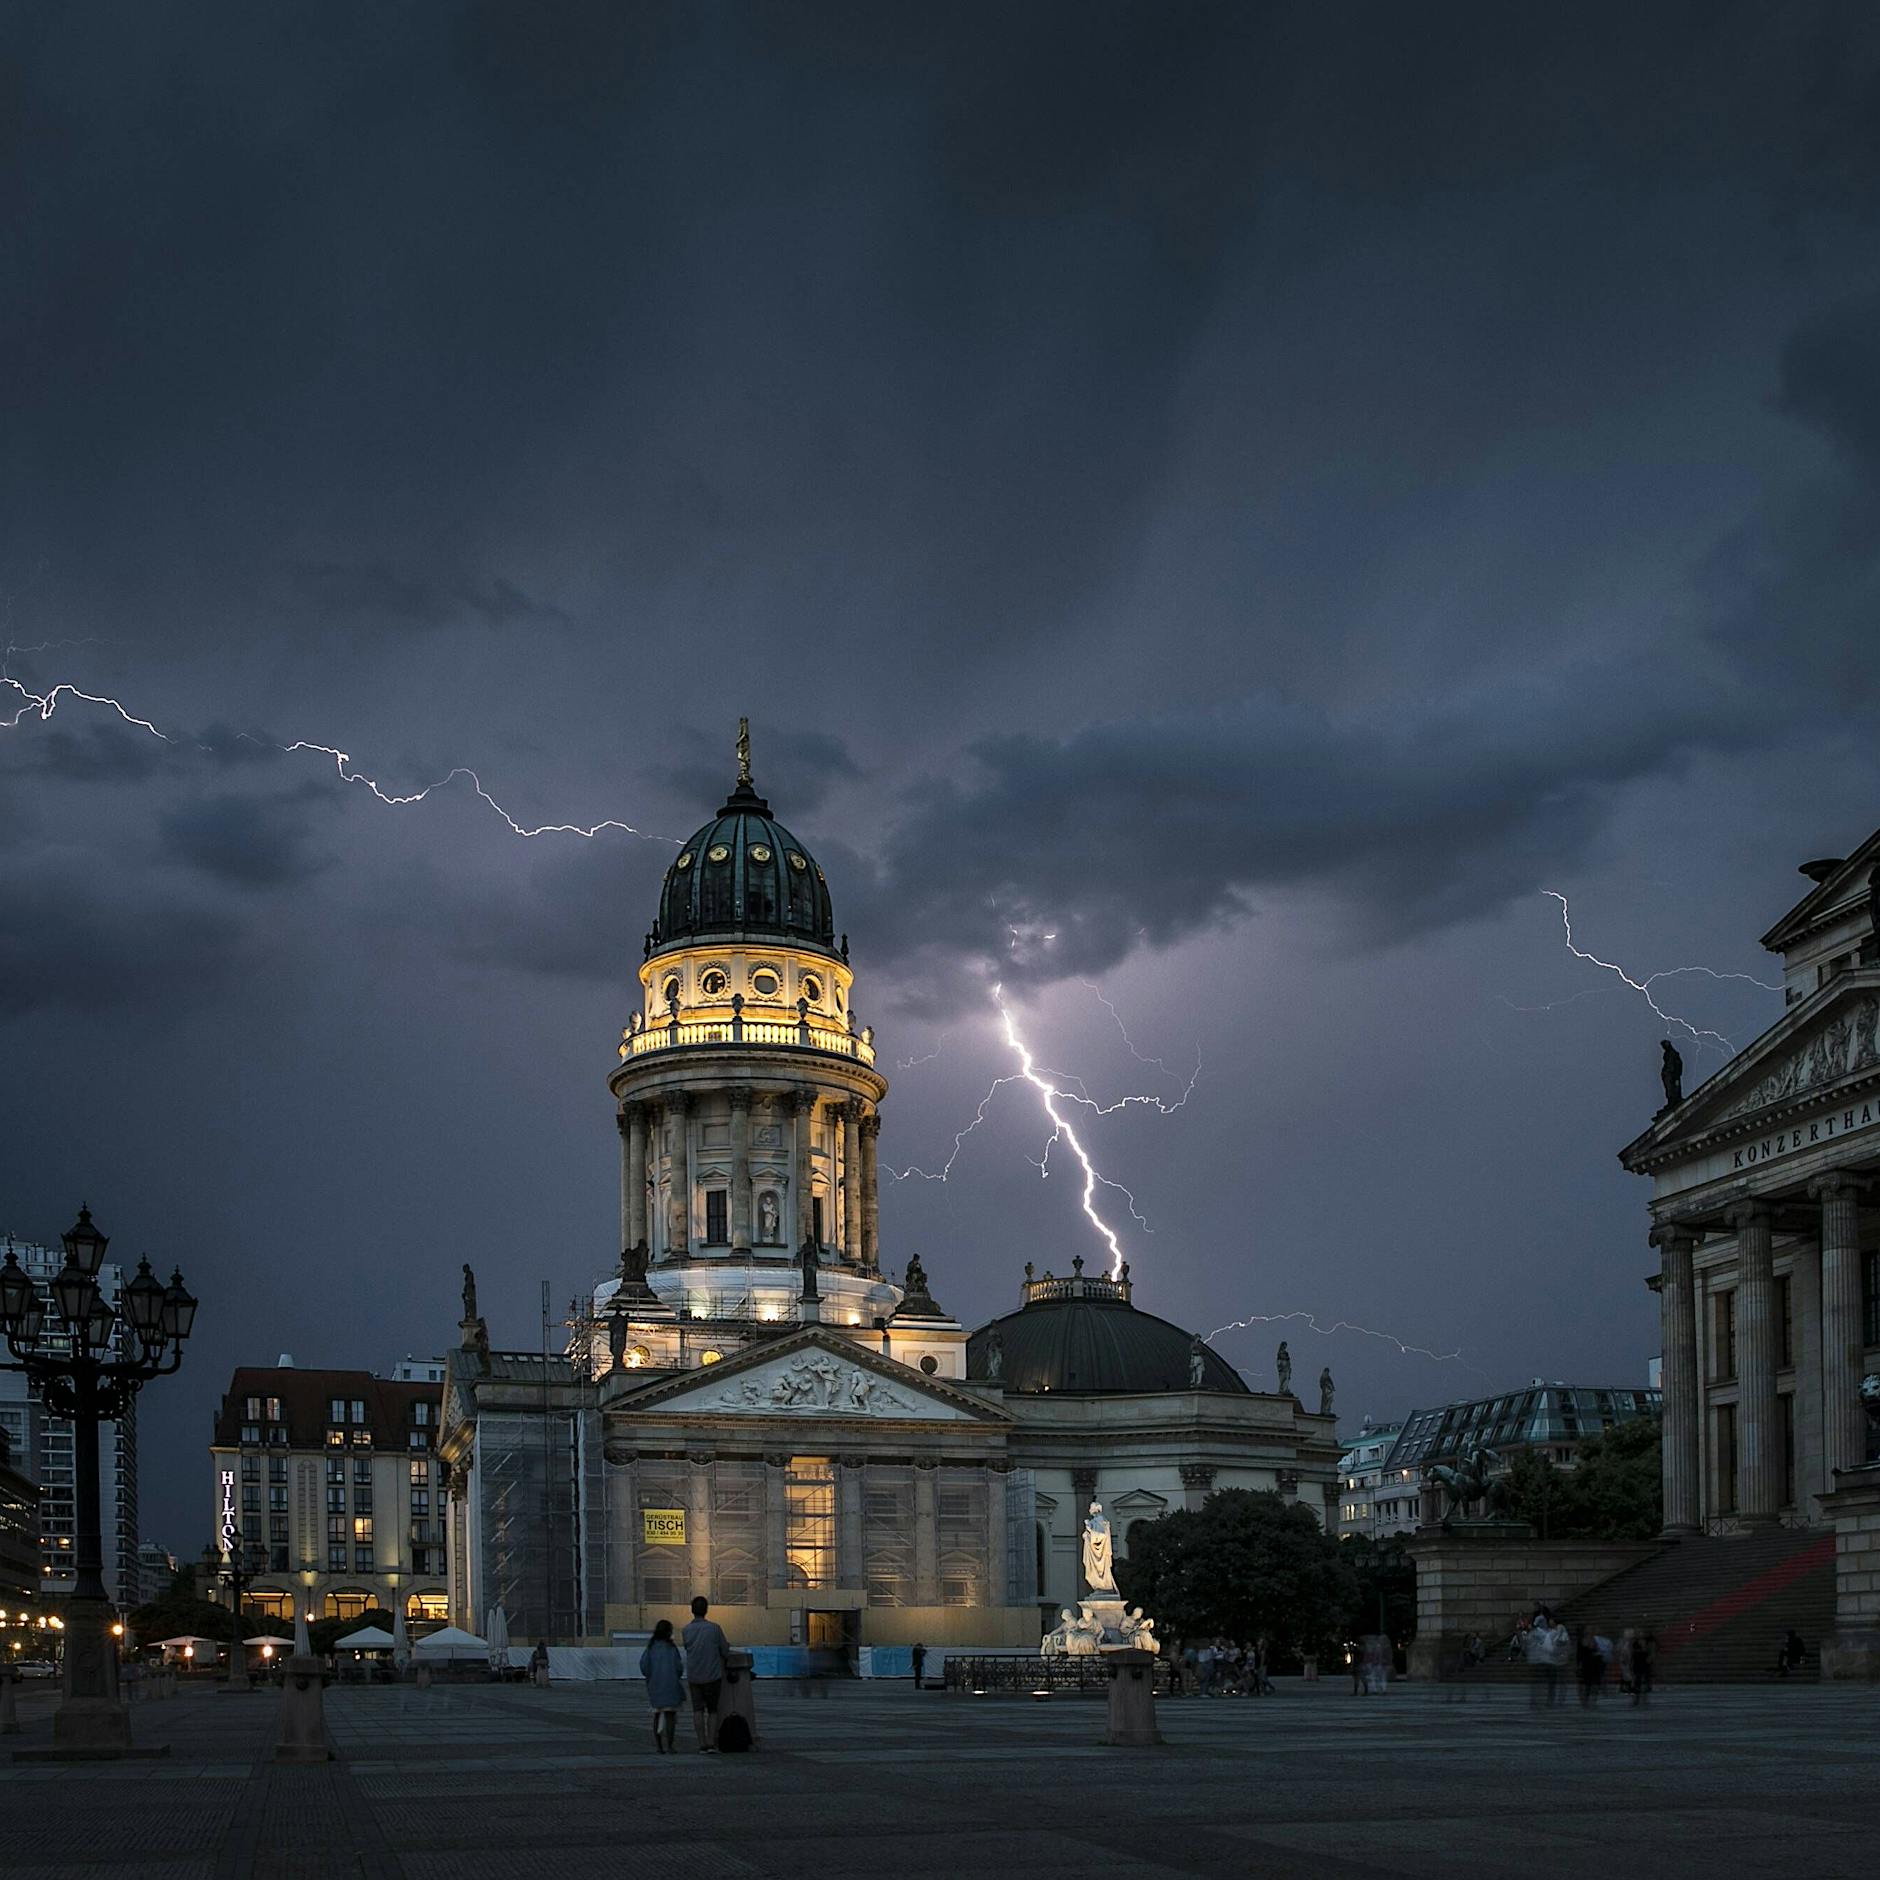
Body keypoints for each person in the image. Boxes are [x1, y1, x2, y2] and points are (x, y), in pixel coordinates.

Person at [682, 1595, 731, 1752]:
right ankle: (711, 1742)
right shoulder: (715, 1628)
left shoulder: (686, 1630)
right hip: (712, 1675)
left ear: (692, 1610)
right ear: (706, 1610)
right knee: (712, 1710)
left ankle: (701, 1743)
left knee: (697, 1710)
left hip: (694, 1675)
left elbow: (688, 1648)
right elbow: (725, 1650)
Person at [639, 1619, 686, 1754]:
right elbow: (679, 1668)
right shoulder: (672, 1648)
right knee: (670, 1716)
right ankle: (670, 1745)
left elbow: (644, 1666)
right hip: (671, 1686)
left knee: (657, 1714)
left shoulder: (651, 1648)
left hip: (655, 1686)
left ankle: (659, 1746)